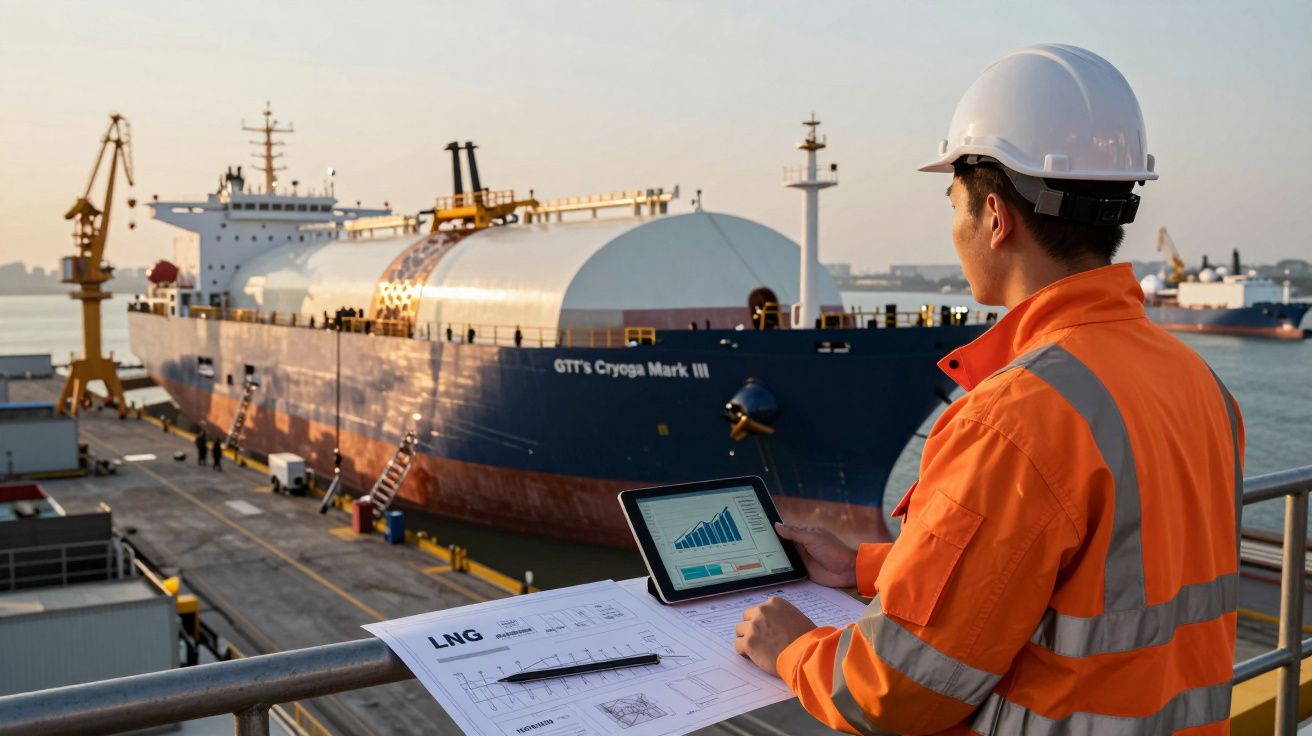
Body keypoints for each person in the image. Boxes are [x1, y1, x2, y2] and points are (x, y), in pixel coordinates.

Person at [734, 44, 1244, 735]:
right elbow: (1090, 578)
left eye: (954, 202)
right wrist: (868, 564)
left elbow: (897, 689)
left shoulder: (1018, 416)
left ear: (996, 217)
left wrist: (790, 648)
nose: (953, 227)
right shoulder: (1196, 381)